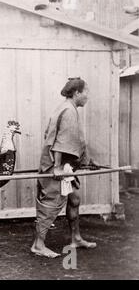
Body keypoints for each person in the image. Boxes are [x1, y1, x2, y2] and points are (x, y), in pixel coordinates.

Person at [31, 77, 98, 258]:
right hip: (57, 166)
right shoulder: (68, 110)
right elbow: (61, 141)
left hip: (67, 166)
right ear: (77, 93)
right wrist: (58, 167)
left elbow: (72, 140)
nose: (87, 96)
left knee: (74, 199)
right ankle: (38, 245)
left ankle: (75, 238)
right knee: (51, 203)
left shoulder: (67, 108)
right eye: (86, 92)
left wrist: (85, 162)